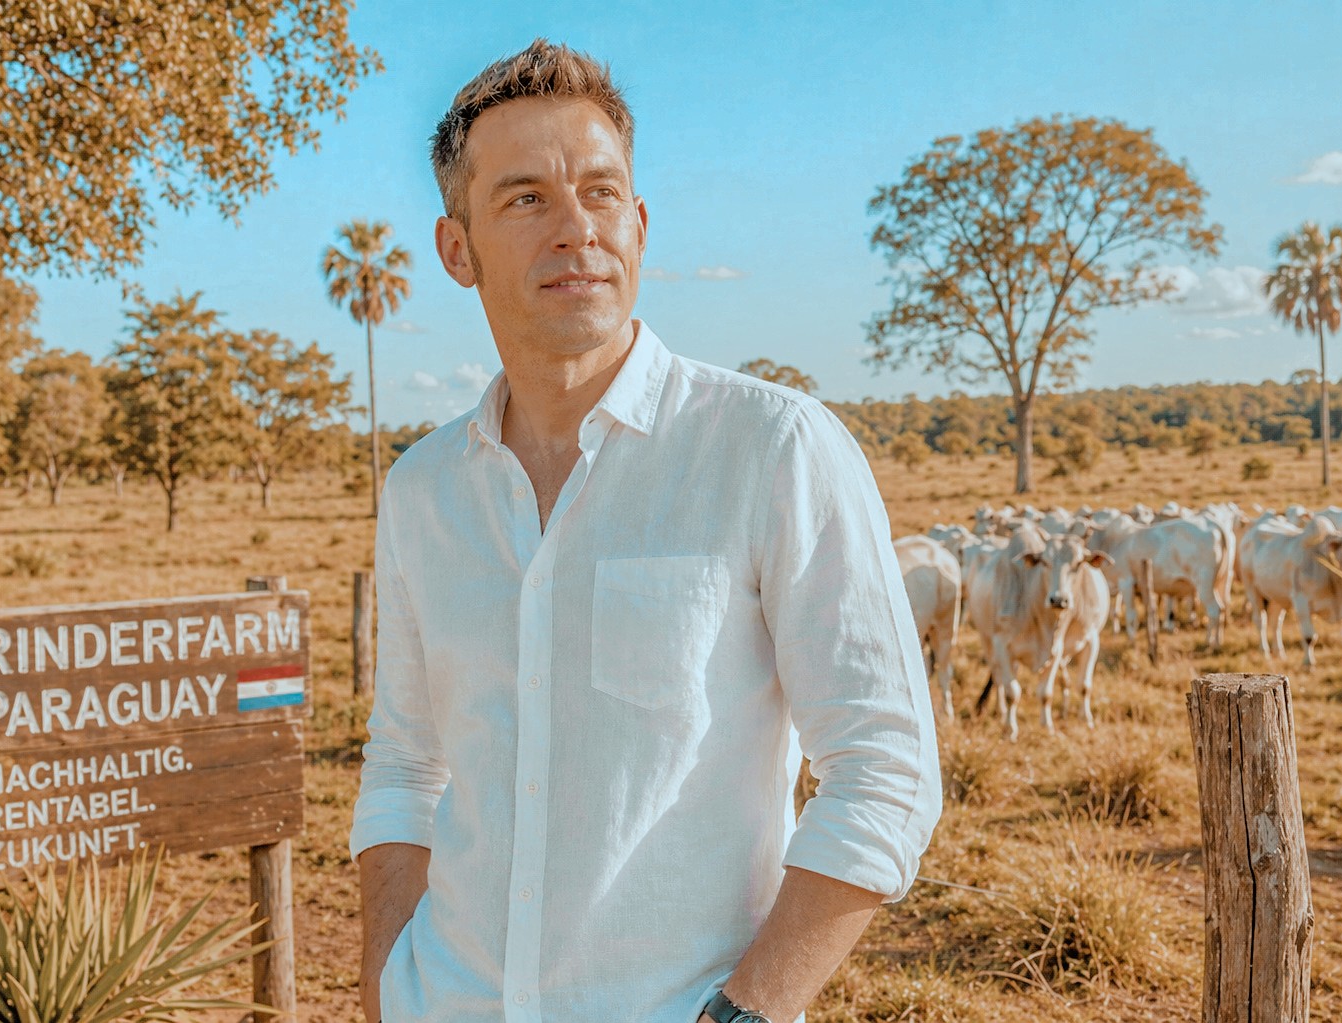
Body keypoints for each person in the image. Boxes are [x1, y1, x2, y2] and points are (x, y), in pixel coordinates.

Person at [351, 39, 942, 1023]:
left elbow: (886, 765)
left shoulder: (771, 447)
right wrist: (387, 985)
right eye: (526, 198)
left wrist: (748, 1011)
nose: (575, 228)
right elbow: (407, 763)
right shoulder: (423, 490)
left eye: (600, 191)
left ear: (638, 223)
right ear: (458, 250)